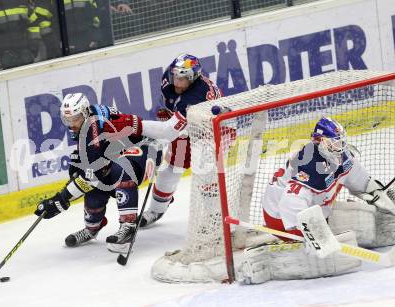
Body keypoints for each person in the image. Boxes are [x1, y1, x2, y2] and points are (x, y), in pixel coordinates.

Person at [238, 116, 395, 284]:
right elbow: (289, 204)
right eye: (333, 143)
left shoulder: (339, 154)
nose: (339, 147)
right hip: (281, 217)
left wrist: (375, 191)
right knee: (334, 257)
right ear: (318, 140)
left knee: (365, 218)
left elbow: (356, 177)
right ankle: (265, 261)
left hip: (315, 205)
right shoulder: (310, 165)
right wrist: (311, 234)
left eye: (339, 141)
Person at [104, 54, 223, 227]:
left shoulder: (196, 96)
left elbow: (168, 132)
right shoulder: (168, 80)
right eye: (176, 76)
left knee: (205, 171)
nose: (177, 82)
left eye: (183, 79)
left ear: (193, 78)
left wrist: (135, 124)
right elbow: (170, 105)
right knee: (169, 171)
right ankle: (155, 210)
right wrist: (169, 113)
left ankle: (216, 219)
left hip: (214, 131)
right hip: (188, 130)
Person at [34, 93, 161, 253]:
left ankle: (128, 227)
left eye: (76, 118)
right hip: (121, 151)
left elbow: (92, 176)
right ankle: (92, 228)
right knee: (90, 183)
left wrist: (61, 199)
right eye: (68, 120)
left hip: (144, 150)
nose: (72, 124)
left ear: (85, 112)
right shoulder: (89, 120)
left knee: (120, 170)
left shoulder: (93, 129)